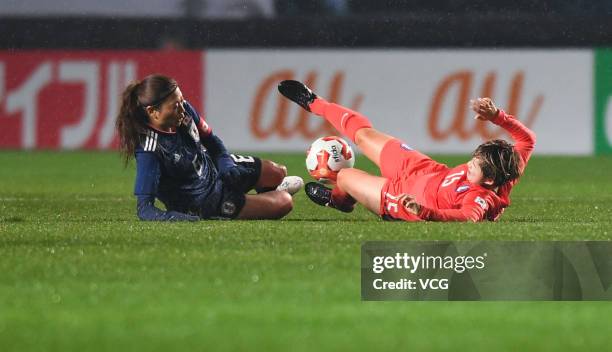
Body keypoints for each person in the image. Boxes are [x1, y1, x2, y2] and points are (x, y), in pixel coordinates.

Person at [278, 80, 536, 222]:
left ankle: (339, 200)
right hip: (424, 169)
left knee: (345, 176)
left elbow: (465, 218)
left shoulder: (481, 198)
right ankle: (315, 102)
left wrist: (421, 211)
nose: (469, 163)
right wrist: (497, 116)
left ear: (489, 180)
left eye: (475, 165)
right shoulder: (509, 165)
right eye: (474, 158)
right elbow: (527, 139)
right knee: (365, 135)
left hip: (403, 197)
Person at [116, 74, 302, 221]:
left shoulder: (185, 111)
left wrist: (225, 163)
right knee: (284, 203)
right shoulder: (150, 150)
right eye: (175, 106)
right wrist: (172, 217)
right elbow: (144, 209)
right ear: (152, 112)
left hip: (212, 169)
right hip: (206, 200)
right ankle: (263, 199)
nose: (182, 108)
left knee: (278, 172)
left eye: (181, 100)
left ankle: (262, 196)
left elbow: (212, 141)